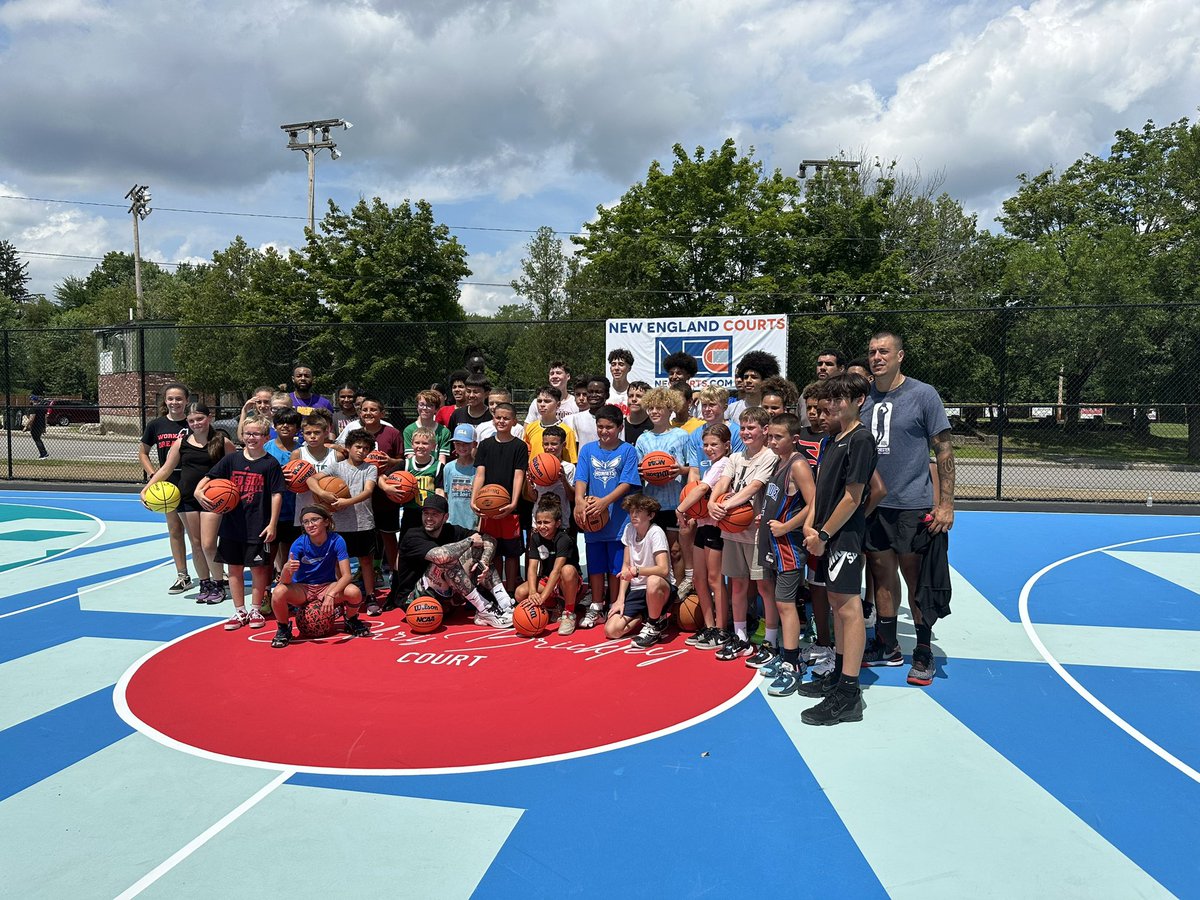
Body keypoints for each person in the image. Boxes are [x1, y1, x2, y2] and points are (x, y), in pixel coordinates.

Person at [860, 331, 954, 686]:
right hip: (874, 506)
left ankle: (923, 649)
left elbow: (943, 449)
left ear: (900, 356)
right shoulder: (863, 397)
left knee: (915, 579)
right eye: (872, 352)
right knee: (881, 575)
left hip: (912, 504)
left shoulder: (922, 394)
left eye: (884, 351)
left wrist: (945, 504)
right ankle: (887, 645)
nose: (877, 357)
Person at [798, 372, 878, 725]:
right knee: (835, 603)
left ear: (859, 400)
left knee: (848, 609)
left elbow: (854, 496)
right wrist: (810, 524)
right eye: (830, 399)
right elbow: (820, 490)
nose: (832, 404)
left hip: (842, 536)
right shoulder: (833, 438)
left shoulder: (860, 439)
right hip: (825, 533)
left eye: (840, 398)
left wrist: (825, 535)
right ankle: (839, 676)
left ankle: (849, 693)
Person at [196, 414, 284, 631]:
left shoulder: (269, 464)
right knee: (234, 569)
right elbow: (209, 477)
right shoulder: (232, 459)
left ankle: (255, 608)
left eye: (256, 434)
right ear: (242, 435)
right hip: (232, 525)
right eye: (247, 433)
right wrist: (199, 490)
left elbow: (276, 495)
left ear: (265, 437)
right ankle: (239, 610)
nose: (251, 437)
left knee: (258, 570)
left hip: (258, 525)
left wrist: (272, 523)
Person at [142, 402, 235, 603]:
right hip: (187, 498)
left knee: (209, 544)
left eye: (199, 419)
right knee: (196, 544)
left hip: (213, 499)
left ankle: (219, 584)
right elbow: (166, 470)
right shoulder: (181, 443)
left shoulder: (222, 441)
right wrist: (146, 488)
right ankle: (205, 583)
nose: (196, 423)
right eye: (191, 420)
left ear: (209, 418)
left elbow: (235, 468)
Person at [755, 413, 817, 696]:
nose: (772, 441)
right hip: (776, 544)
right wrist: (766, 518)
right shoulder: (780, 462)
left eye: (778, 437)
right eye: (770, 436)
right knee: (780, 602)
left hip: (789, 547)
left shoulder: (798, 464)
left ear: (794, 439)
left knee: (785, 604)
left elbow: (814, 503)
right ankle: (785, 653)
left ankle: (792, 664)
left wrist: (786, 526)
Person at [709, 406, 777, 660]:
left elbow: (755, 487)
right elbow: (722, 483)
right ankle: (740, 638)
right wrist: (711, 504)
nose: (746, 432)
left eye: (752, 428)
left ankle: (771, 640)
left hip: (757, 532)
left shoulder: (769, 456)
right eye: (743, 427)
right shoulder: (736, 457)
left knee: (764, 587)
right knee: (737, 584)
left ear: (764, 430)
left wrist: (725, 506)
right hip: (733, 530)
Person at [387, 494, 513, 627]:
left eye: (434, 514)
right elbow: (441, 556)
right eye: (426, 513)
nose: (429, 518)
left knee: (478, 550)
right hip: (415, 603)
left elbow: (489, 539)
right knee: (446, 559)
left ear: (445, 517)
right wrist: (469, 541)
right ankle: (485, 609)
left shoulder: (452, 530)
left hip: (447, 603)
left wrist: (484, 562)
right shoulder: (412, 535)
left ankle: (505, 603)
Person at [574, 404, 641, 628]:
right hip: (593, 517)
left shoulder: (628, 451)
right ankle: (596, 605)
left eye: (609, 427)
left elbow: (626, 483)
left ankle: (614, 604)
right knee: (595, 563)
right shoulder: (587, 450)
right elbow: (581, 478)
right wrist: (579, 501)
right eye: (600, 427)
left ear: (620, 427)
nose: (604, 431)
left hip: (618, 518)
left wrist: (604, 502)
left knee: (616, 566)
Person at [270, 505, 370, 648]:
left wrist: (331, 595)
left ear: (326, 522)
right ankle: (283, 628)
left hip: (326, 586)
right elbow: (285, 582)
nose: (310, 525)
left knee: (354, 591)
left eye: (315, 520)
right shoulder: (298, 544)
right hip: (302, 589)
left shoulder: (337, 540)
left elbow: (347, 575)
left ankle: (351, 619)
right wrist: (286, 570)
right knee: (278, 592)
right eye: (306, 522)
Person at [310, 428, 378, 612]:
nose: (361, 451)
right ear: (348, 447)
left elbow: (368, 491)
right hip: (339, 524)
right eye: (358, 447)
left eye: (365, 448)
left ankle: (370, 596)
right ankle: (341, 596)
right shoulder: (336, 467)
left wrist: (347, 501)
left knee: (365, 561)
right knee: (340, 563)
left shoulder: (370, 468)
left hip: (363, 522)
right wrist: (323, 493)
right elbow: (311, 480)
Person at [678, 423, 731, 649]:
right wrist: (693, 514)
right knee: (699, 579)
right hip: (703, 526)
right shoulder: (711, 466)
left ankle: (721, 630)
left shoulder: (725, 464)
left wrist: (681, 509)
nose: (709, 448)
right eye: (706, 444)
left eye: (714, 444)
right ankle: (709, 627)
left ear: (727, 446)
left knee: (714, 579)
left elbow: (701, 490)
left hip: (716, 528)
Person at [634, 387, 691, 590]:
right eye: (651, 408)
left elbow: (691, 468)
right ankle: (659, 591)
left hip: (675, 501)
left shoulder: (682, 435)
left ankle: (678, 592)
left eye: (660, 407)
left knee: (675, 551)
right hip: (652, 502)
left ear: (671, 409)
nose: (655, 411)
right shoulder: (643, 439)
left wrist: (680, 469)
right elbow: (639, 471)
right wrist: (642, 472)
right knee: (656, 553)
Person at [605, 493, 678, 647]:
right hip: (638, 588)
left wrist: (637, 571)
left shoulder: (655, 532)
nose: (633, 515)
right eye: (631, 511)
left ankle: (653, 627)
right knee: (611, 631)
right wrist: (620, 599)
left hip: (660, 587)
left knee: (652, 580)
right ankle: (647, 616)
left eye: (638, 511)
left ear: (650, 515)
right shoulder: (629, 529)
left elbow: (663, 569)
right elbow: (626, 567)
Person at [139, 382, 191, 594]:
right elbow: (142, 452)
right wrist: (153, 474)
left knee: (202, 534)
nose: (174, 402)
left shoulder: (193, 423)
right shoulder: (156, 425)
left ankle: (215, 573)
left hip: (191, 481)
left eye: (179, 399)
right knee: (175, 530)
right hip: (168, 485)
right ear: (165, 401)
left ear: (187, 401)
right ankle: (182, 575)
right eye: (170, 399)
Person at [471, 401, 527, 591]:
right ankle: (496, 591)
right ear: (493, 419)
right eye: (498, 417)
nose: (501, 421)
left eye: (506, 418)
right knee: (492, 552)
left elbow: (519, 475)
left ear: (514, 421)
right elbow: (480, 474)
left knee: (511, 554)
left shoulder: (519, 446)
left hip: (509, 509)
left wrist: (513, 502)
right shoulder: (485, 445)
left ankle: (510, 591)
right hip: (489, 506)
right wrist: (474, 499)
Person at [515, 495, 582, 635]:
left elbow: (557, 571)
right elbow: (532, 568)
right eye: (539, 522)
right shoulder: (535, 538)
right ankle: (554, 607)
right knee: (520, 593)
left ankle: (569, 613)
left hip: (567, 582)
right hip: (549, 581)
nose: (542, 526)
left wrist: (541, 598)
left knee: (567, 570)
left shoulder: (564, 539)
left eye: (546, 522)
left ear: (557, 523)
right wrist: (533, 592)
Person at [263, 408, 303, 580]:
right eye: (281, 423)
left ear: (298, 428)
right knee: (268, 554)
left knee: (290, 553)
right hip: (271, 511)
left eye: (291, 423)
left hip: (294, 509)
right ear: (275, 426)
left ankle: (285, 585)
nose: (285, 426)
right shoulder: (266, 448)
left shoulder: (303, 450)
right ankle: (266, 593)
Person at [438, 423, 478, 529]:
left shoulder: (479, 468)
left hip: (473, 524)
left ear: (474, 444)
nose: (461, 447)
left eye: (466, 443)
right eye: (458, 443)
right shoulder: (448, 468)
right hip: (452, 523)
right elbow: (446, 495)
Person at [524, 385, 578, 462]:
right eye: (539, 401)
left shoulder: (567, 431)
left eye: (547, 401)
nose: (542, 404)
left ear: (558, 404)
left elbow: (571, 462)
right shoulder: (530, 427)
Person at [726, 351, 780, 422]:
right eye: (745, 377)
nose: (748, 380)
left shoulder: (770, 410)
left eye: (754, 377)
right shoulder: (732, 409)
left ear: (765, 380)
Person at [404, 389, 452, 465]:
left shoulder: (444, 432)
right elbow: (410, 457)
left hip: (435, 471)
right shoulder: (409, 430)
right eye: (421, 404)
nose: (425, 408)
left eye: (430, 405)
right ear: (417, 407)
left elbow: (442, 459)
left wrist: (436, 472)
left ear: (436, 409)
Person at [621, 380, 652, 445]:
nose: (634, 399)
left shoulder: (654, 426)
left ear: (648, 400)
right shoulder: (620, 426)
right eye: (631, 396)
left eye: (639, 396)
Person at [607, 348, 634, 413]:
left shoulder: (635, 394)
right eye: (613, 364)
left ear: (629, 368)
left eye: (621, 364)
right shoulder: (605, 393)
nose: (616, 368)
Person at [25, 390, 49, 459]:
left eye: (30, 399)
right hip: (41, 425)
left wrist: (26, 426)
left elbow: (32, 418)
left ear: (33, 400)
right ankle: (43, 453)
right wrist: (44, 427)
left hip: (35, 426)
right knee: (38, 439)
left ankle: (43, 453)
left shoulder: (33, 408)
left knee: (37, 439)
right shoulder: (42, 407)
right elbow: (45, 418)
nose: (30, 401)